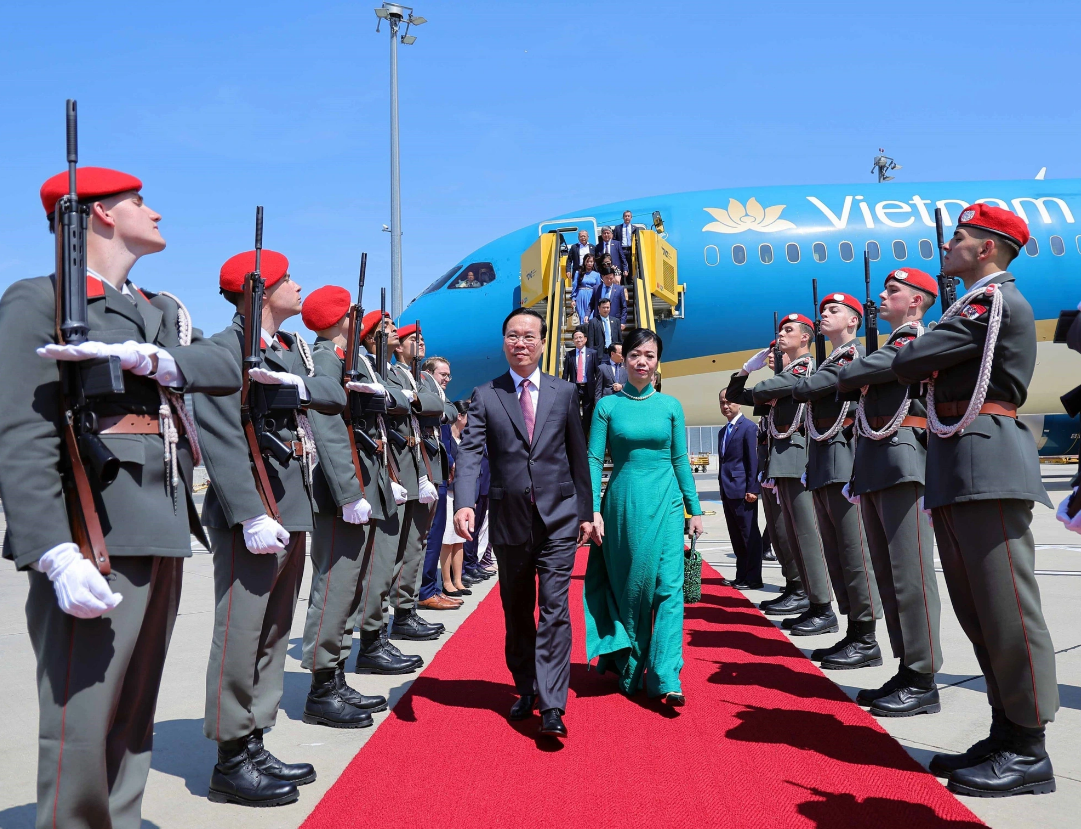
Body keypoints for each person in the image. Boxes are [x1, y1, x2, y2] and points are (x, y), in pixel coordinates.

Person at [0, 167, 240, 829]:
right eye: (139, 201)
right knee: (82, 716)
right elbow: (21, 433)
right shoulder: (38, 300)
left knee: (134, 712)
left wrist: (157, 360)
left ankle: (120, 818)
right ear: (101, 215)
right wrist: (51, 548)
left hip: (158, 521)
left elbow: (223, 369)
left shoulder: (157, 311)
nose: (154, 211)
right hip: (93, 529)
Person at [893, 204, 1058, 797]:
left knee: (1009, 611)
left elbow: (914, 358)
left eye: (959, 238)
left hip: (987, 462)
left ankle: (1030, 749)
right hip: (961, 461)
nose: (949, 246)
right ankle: (1006, 730)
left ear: (986, 248)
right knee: (981, 613)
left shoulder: (992, 303)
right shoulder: (970, 305)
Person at [196, 248, 347, 806]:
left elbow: (334, 393)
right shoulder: (221, 349)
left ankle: (254, 738)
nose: (299, 285)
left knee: (274, 629)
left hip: (291, 504)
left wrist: (298, 387)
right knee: (240, 630)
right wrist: (248, 511)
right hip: (253, 512)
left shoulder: (288, 351)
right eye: (289, 279)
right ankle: (230, 757)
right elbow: (218, 434)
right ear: (259, 290)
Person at [453, 307, 592, 740]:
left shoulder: (565, 392)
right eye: (513, 336)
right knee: (517, 613)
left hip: (558, 519)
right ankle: (527, 687)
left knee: (555, 609)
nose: (521, 343)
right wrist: (463, 502)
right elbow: (471, 452)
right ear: (504, 342)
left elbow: (577, 455)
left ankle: (552, 705)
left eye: (530, 336)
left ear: (543, 342)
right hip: (510, 521)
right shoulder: (486, 395)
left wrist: (586, 513)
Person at [837, 268, 943, 717]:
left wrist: (844, 372)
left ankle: (923, 677)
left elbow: (868, 371)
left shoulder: (913, 340)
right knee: (888, 573)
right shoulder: (893, 344)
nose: (882, 296)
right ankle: (906, 667)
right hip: (878, 465)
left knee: (910, 576)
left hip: (903, 466)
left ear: (916, 302)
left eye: (893, 291)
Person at [584, 328, 704, 704]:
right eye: (636, 354)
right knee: (632, 589)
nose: (642, 362)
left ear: (657, 361)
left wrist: (694, 508)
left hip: (666, 501)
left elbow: (680, 459)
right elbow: (592, 459)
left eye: (649, 356)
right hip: (622, 503)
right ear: (625, 359)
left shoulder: (670, 406)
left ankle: (666, 675)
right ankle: (631, 663)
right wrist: (591, 509)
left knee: (669, 588)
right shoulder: (608, 406)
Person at [297, 286, 396, 728]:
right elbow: (330, 431)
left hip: (360, 483)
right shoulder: (324, 360)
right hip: (341, 492)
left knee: (350, 587)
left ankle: (334, 675)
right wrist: (348, 493)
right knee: (334, 588)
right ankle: (321, 687)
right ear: (341, 319)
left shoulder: (344, 360)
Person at [792, 293, 883, 671]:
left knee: (854, 553)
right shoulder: (829, 362)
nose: (823, 315)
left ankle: (866, 637)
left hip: (844, 462)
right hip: (824, 464)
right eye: (823, 310)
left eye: (833, 311)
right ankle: (852, 628)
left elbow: (806, 391)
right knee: (836, 553)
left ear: (853, 322)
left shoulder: (851, 359)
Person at [731, 314, 836, 635]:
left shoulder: (804, 370)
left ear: (806, 338)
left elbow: (758, 393)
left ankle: (820, 606)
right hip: (780, 461)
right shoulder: (790, 372)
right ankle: (802, 592)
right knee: (786, 534)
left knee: (805, 536)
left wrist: (756, 376)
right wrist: (745, 370)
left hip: (797, 461)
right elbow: (738, 395)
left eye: (788, 330)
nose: (780, 335)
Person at [343, 313, 425, 673]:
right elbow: (400, 406)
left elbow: (418, 405)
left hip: (386, 470)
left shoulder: (376, 369)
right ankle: (370, 643)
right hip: (370, 474)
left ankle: (376, 639)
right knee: (373, 567)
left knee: (389, 559)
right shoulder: (365, 366)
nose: (394, 332)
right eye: (388, 328)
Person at [383, 324, 445, 646]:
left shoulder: (419, 379)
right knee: (395, 550)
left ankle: (406, 611)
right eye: (412, 339)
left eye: (422, 338)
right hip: (403, 468)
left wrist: (419, 400)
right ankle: (388, 619)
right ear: (397, 347)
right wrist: (419, 402)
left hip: (422, 466)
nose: (419, 342)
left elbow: (442, 408)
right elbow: (401, 405)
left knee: (415, 546)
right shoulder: (391, 374)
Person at [419, 356, 466, 611]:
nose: (447, 379)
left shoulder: (438, 395)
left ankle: (432, 588)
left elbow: (447, 414)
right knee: (430, 538)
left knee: (436, 538)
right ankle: (426, 591)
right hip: (428, 474)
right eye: (442, 374)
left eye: (449, 375)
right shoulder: (426, 391)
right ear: (427, 374)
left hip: (439, 471)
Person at [717, 389, 763, 589]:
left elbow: (754, 461)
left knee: (749, 536)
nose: (725, 406)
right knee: (736, 537)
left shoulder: (749, 428)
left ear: (739, 403)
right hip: (728, 491)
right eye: (722, 403)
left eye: (729, 402)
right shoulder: (723, 431)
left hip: (744, 490)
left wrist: (753, 488)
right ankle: (741, 575)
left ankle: (753, 578)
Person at [440, 401, 471, 596]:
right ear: (459, 416)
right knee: (447, 539)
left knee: (459, 539)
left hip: (460, 495)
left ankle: (458, 580)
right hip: (448, 493)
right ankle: (446, 581)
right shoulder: (447, 437)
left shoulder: (465, 438)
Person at [562, 326, 601, 438]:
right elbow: (566, 373)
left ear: (585, 339)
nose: (578, 340)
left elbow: (597, 372)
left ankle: (585, 437)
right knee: (574, 413)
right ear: (573, 340)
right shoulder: (570, 354)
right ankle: (576, 436)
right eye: (576, 338)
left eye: (580, 337)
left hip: (588, 387)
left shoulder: (592, 353)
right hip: (575, 387)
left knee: (587, 413)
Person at [572, 254, 602, 324]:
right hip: (581, 295)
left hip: (591, 296)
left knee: (591, 317)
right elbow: (575, 286)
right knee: (581, 316)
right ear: (584, 262)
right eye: (587, 261)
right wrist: (573, 299)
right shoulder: (578, 273)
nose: (589, 263)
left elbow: (598, 288)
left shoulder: (597, 274)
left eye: (591, 262)